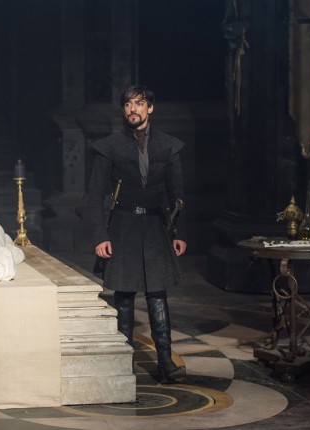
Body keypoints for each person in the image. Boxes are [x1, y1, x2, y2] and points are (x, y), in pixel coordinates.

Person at [87, 84, 187, 384]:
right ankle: (124, 364)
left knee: (158, 294)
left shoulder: (168, 146)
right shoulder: (110, 147)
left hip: (156, 226)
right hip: (123, 226)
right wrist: (100, 235)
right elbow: (94, 195)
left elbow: (177, 194)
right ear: (123, 110)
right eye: (128, 104)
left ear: (150, 108)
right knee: (124, 296)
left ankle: (165, 363)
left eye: (140, 103)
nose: (133, 109)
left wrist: (179, 232)